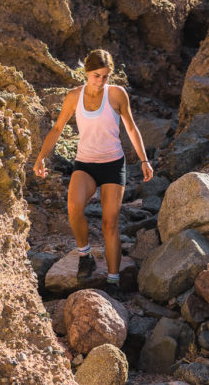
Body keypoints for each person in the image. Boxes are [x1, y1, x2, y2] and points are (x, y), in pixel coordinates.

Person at [32, 49, 153, 297]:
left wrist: (144, 160)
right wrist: (41, 157)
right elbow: (57, 128)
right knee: (74, 208)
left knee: (110, 223)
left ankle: (113, 280)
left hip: (113, 164)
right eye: (97, 75)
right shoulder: (73, 97)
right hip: (85, 164)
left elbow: (130, 127)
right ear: (86, 72)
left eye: (106, 76)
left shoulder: (117, 94)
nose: (101, 81)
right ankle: (85, 255)